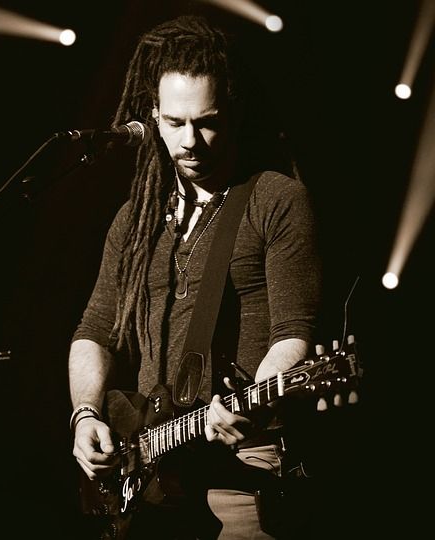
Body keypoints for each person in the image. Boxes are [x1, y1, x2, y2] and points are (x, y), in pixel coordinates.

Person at [68, 14, 322, 539]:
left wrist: (251, 398)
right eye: (175, 124)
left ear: (232, 114)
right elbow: (94, 329)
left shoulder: (276, 199)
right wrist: (86, 415)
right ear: (153, 118)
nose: (191, 142)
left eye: (206, 122)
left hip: (240, 462)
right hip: (149, 470)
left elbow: (294, 329)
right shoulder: (136, 220)